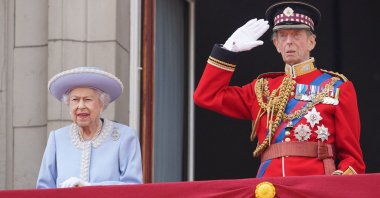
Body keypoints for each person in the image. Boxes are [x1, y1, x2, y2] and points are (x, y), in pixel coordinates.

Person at [193, 1, 365, 177]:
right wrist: (229, 50)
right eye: (282, 36)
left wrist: (337, 183)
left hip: (315, 187)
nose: (289, 42)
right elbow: (206, 95)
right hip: (270, 187)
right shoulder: (262, 89)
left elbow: (352, 158)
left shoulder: (337, 87)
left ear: (311, 42)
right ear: (276, 44)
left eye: (296, 35)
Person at [36, 66, 143, 188]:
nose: (80, 106)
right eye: (75, 100)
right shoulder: (57, 138)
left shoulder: (125, 137)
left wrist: (90, 187)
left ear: (102, 105)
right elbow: (43, 189)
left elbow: (133, 186)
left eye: (87, 99)